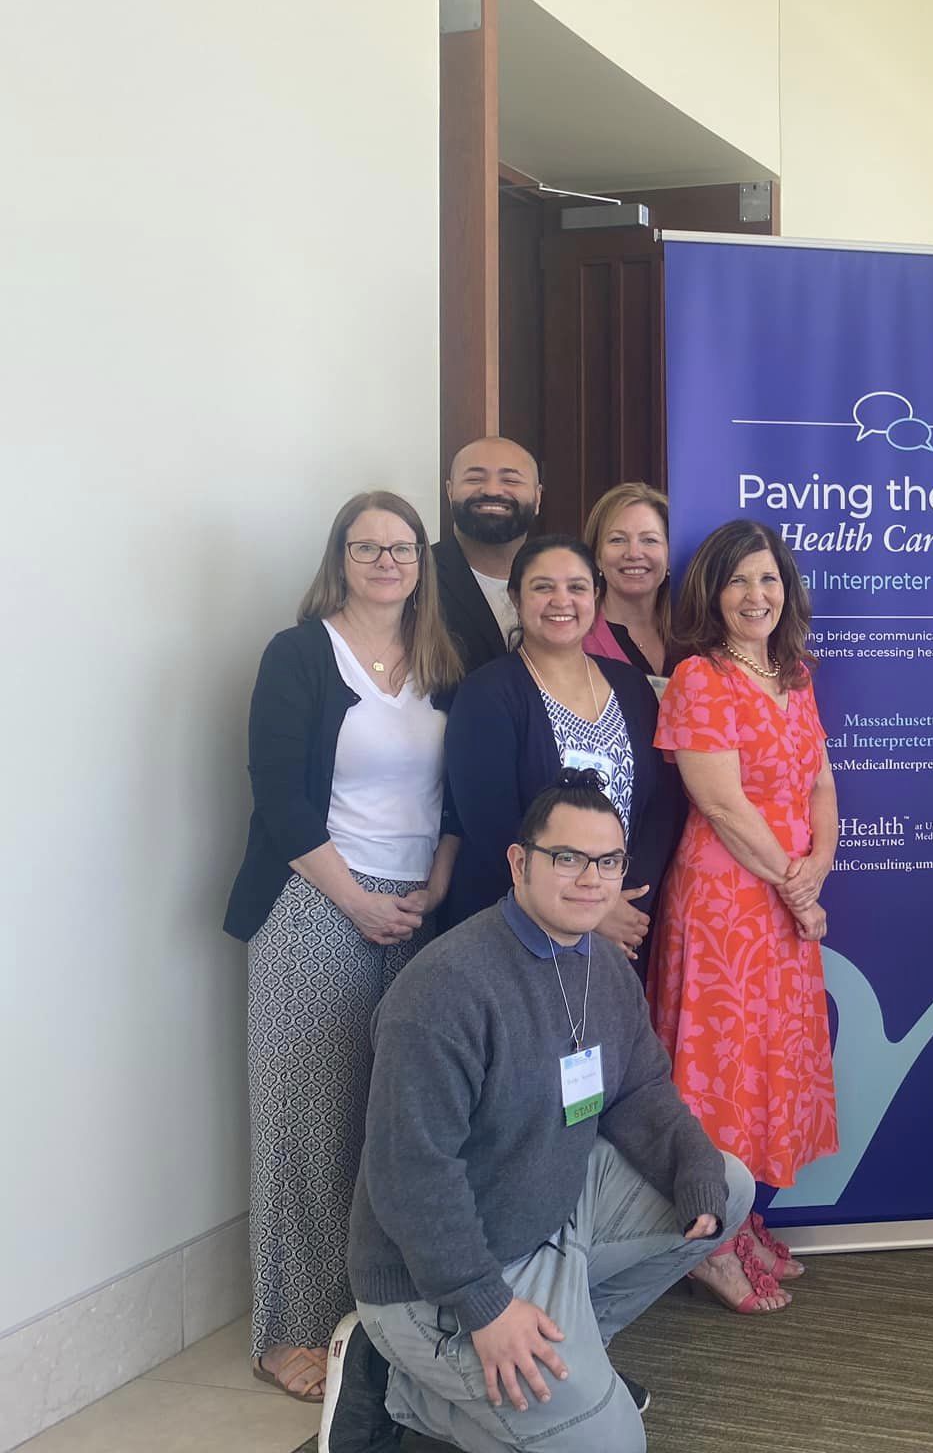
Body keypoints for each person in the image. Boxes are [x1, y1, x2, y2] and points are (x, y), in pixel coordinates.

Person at [322, 774, 759, 1453]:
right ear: (520, 862)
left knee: (724, 1185)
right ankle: (394, 1385)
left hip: (549, 1213)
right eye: (568, 858)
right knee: (612, 1446)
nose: (591, 879)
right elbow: (412, 1175)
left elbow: (641, 1089)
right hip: (437, 1279)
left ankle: (577, 1350)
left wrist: (692, 1164)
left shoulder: (603, 969)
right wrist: (485, 1308)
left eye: (608, 861)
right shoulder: (445, 989)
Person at [223, 491, 465, 1404]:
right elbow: (279, 796)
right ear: (341, 557)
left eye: (402, 547)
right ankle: (287, 1331)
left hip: (420, 908)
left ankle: (372, 1317)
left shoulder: (443, 659)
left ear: (420, 561)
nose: (387, 562)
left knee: (397, 1124)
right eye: (367, 547)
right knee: (309, 1122)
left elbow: (465, 787)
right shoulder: (298, 655)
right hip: (316, 901)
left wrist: (437, 883)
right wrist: (360, 901)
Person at [646, 519, 837, 1305]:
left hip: (788, 899)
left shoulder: (793, 673)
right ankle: (705, 1242)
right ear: (712, 594)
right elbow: (721, 804)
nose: (755, 596)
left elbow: (822, 781)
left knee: (765, 1065)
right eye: (737, 582)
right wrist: (798, 884)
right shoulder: (700, 677)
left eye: (768, 579)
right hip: (726, 903)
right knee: (719, 1067)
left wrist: (817, 868)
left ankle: (741, 1216)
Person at [441, 535, 680, 970]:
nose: (560, 600)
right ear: (515, 598)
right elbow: (490, 823)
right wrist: (591, 907)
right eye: (542, 587)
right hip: (516, 931)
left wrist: (622, 898)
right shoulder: (487, 692)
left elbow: (661, 804)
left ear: (596, 596)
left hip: (620, 930)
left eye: (576, 587)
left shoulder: (630, 686)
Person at [433, 436, 544, 672]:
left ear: (538, 498)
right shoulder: (416, 576)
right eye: (474, 479)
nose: (492, 490)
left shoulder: (565, 581)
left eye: (511, 480)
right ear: (450, 491)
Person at [582, 481, 679, 685]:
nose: (634, 553)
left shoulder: (693, 636)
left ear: (670, 556)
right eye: (617, 540)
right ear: (597, 556)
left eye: (649, 540)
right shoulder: (578, 639)